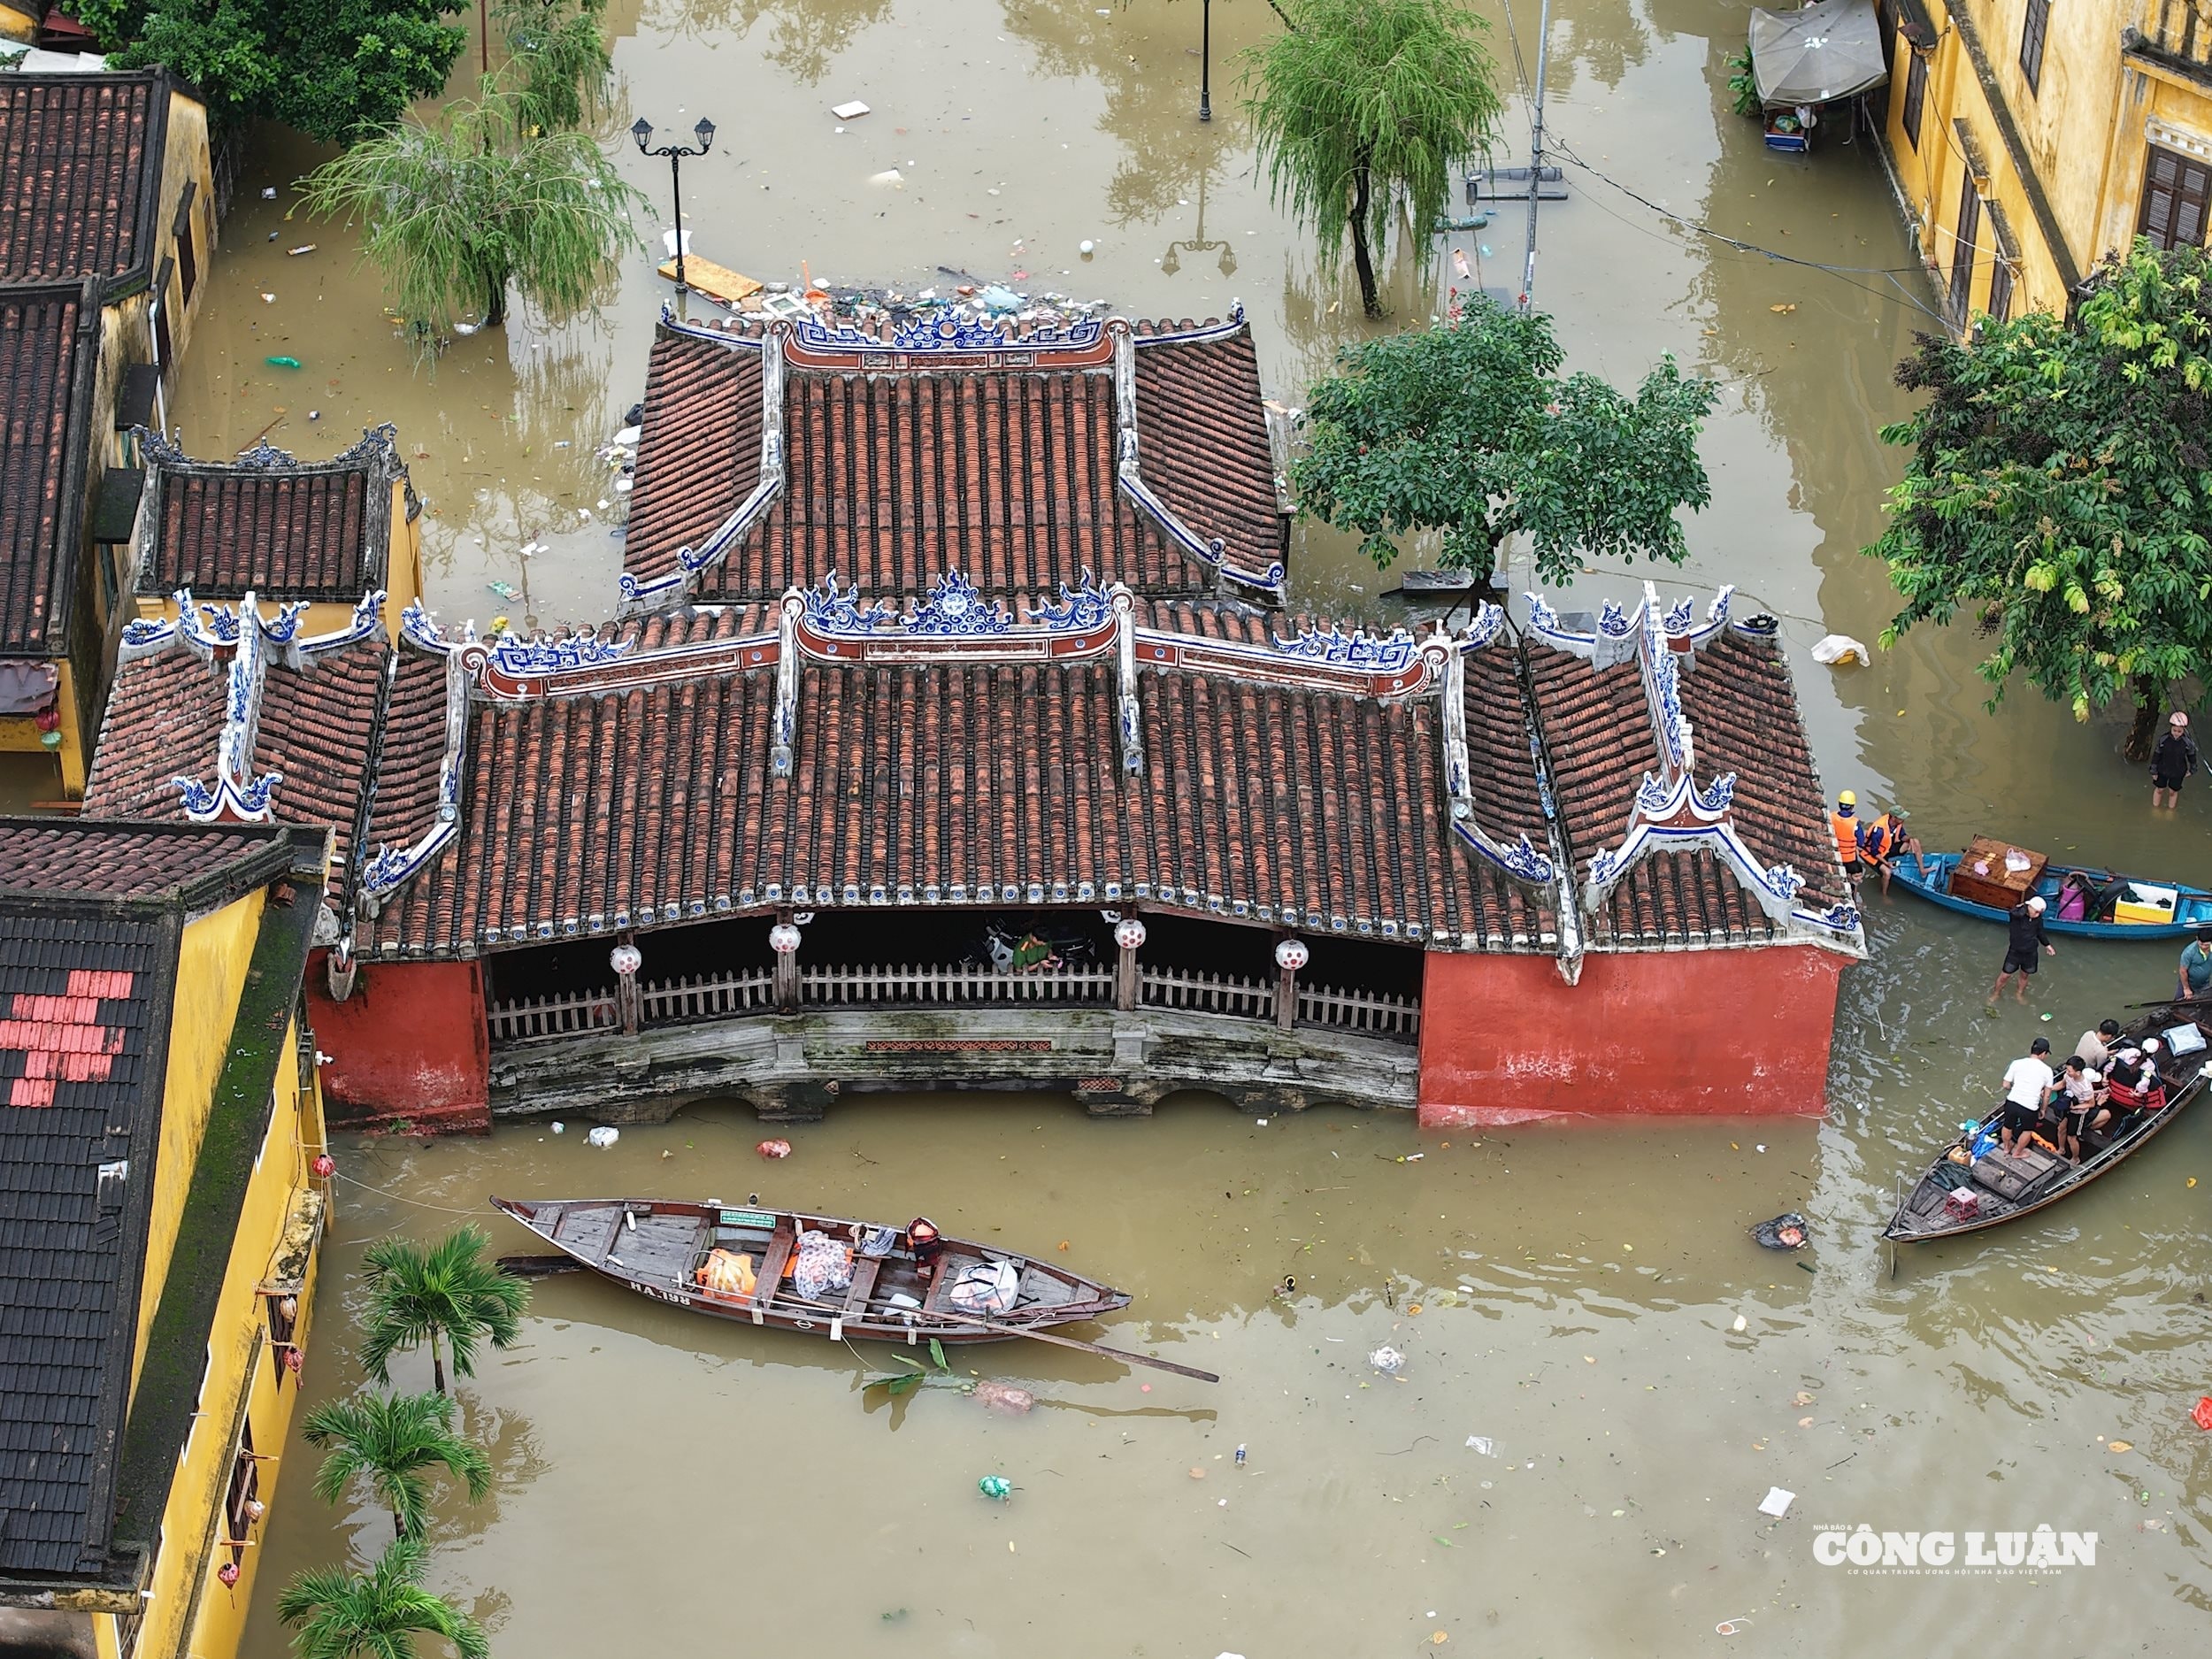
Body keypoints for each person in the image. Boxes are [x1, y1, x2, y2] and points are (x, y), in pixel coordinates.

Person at [1988, 894, 2055, 1005]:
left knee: (2024, 975)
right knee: (2005, 975)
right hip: (2015, 951)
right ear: (2030, 907)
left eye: (2040, 913)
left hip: (2030, 952)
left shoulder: (2037, 919)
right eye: (2036, 912)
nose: (2038, 915)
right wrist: (2023, 907)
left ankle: (2019, 994)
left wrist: (2047, 945)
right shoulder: (2017, 916)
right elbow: (2012, 912)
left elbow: (2040, 932)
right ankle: (1996, 993)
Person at [1994, 1037, 2055, 1156]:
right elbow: (2047, 1095)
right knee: (2027, 1130)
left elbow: (2005, 1084)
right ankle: (2017, 1153)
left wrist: (2015, 1089)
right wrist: (2043, 1109)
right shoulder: (2047, 1071)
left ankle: (2006, 1148)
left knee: (2008, 1125)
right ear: (2043, 1053)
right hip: (2029, 1107)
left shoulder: (2017, 1063)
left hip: (2012, 1102)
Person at [1855, 806, 1924, 896]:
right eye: (1901, 817)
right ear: (1894, 817)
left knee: (1915, 842)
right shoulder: (1879, 831)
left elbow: (1901, 836)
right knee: (1887, 872)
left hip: (1887, 848)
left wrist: (1909, 839)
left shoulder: (1897, 823)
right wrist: (1886, 863)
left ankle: (1922, 870)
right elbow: (1874, 852)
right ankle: (1884, 895)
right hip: (1873, 854)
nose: (1903, 819)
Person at [2053, 1056, 2102, 1162]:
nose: (2067, 1072)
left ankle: (2075, 1158)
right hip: (2068, 1106)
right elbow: (2062, 1084)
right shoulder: (2068, 1076)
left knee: (2072, 1137)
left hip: (2078, 1113)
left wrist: (2075, 1107)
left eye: (2069, 1071)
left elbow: (2091, 1104)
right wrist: (2049, 1088)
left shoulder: (2086, 1087)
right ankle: (2061, 1149)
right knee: (2061, 1129)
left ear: (2078, 1072)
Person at [2152, 710, 2200, 809]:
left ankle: (2171, 810)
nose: (2176, 733)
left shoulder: (2188, 743)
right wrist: (2153, 770)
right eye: (2174, 730)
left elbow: (2192, 756)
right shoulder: (2163, 739)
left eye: (2179, 731)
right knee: (2159, 789)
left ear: (2183, 730)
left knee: (2173, 792)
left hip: (2178, 771)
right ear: (2171, 728)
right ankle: (2155, 808)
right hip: (2162, 769)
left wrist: (2192, 769)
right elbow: (2156, 755)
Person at [1830, 791, 1862, 884]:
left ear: (1839, 804)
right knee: (1853, 882)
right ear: (1852, 806)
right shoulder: (1855, 823)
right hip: (1850, 859)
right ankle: (1853, 896)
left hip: (1834, 855)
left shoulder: (1831, 816)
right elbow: (1860, 842)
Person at [2179, 926, 2212, 1000]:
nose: (2203, 947)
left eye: (2206, 945)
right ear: (2197, 939)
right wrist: (2186, 988)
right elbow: (2183, 971)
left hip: (2204, 983)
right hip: (2188, 982)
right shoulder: (2189, 952)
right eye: (2201, 944)